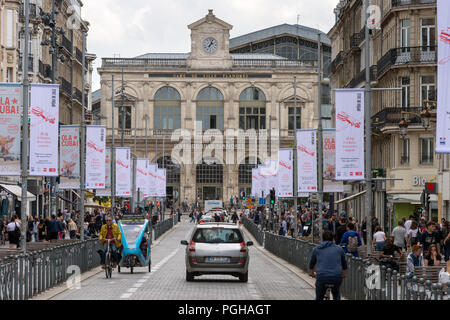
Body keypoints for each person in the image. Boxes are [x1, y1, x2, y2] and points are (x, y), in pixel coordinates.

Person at [308, 230, 348, 300]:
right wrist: (343, 275)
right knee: (336, 293)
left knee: (319, 296)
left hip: (322, 276)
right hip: (336, 277)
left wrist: (312, 274)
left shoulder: (317, 249)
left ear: (322, 239)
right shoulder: (339, 249)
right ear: (333, 239)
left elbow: (311, 265)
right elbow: (344, 266)